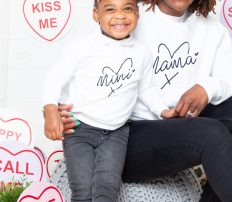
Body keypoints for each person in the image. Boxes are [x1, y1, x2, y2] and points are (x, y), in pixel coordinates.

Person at [58, 0, 232, 201]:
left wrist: (207, 88)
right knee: (208, 133)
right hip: (125, 140)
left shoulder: (211, 30)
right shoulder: (130, 16)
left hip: (178, 128)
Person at [42, 0, 176, 201]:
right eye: (110, 9)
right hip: (79, 130)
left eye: (127, 8)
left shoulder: (141, 52)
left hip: (116, 133)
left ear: (137, 14)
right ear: (96, 15)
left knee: (107, 187)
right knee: (83, 188)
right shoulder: (81, 47)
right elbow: (55, 77)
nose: (120, 15)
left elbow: (147, 88)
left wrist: (163, 110)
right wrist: (50, 111)